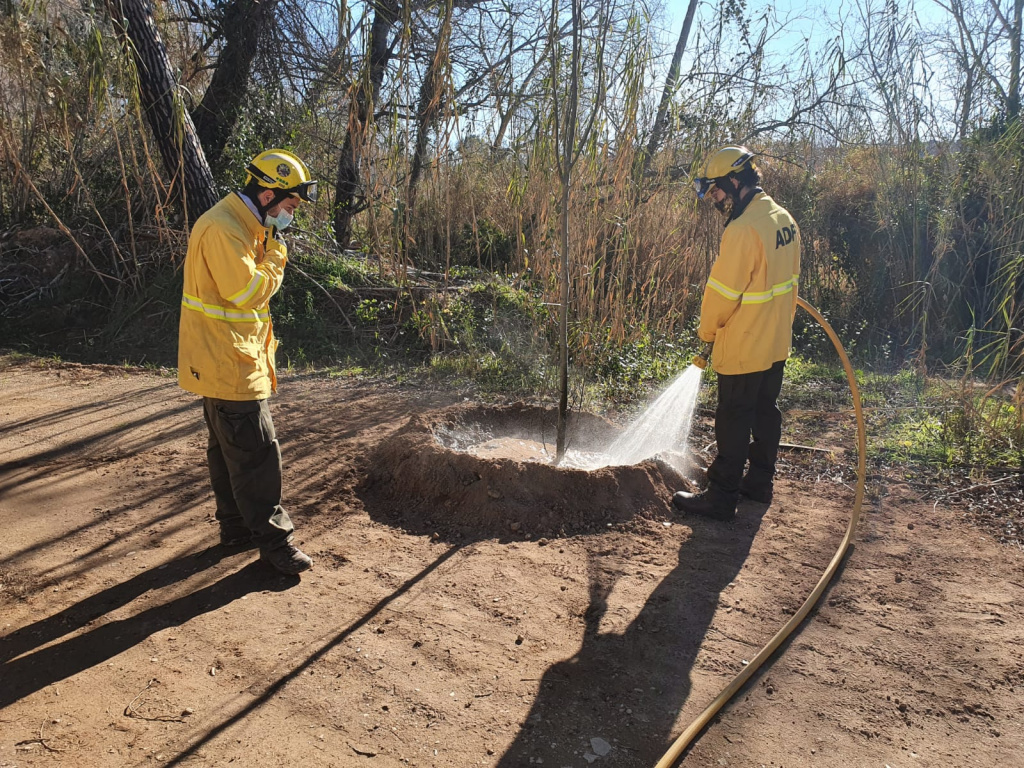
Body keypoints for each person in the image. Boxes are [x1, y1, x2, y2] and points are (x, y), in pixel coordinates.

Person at [177, 149, 318, 574]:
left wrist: (268, 245)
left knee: (227, 453)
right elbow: (246, 292)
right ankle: (277, 547)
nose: (290, 216)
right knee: (258, 456)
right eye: (290, 206)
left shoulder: (244, 225)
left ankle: (236, 528)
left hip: (226, 360)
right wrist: (277, 257)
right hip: (229, 365)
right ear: (268, 194)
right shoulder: (225, 229)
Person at [673, 145, 800, 521]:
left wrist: (707, 333)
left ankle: (723, 495)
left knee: (733, 415)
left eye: (716, 189)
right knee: (765, 411)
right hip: (776, 341)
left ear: (735, 180)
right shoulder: (784, 219)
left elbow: (723, 293)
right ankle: (759, 482)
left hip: (745, 342)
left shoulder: (743, 230)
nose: (715, 198)